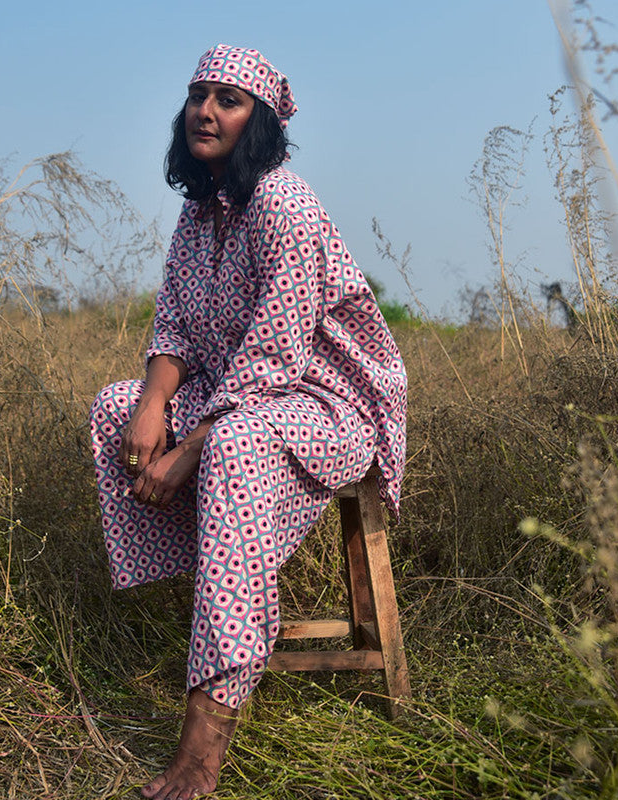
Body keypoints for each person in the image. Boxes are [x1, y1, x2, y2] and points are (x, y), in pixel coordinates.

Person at [90, 43, 407, 800]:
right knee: (113, 405)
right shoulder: (199, 216)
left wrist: (186, 452)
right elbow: (173, 327)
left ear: (257, 122)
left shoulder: (283, 205)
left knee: (229, 443)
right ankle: (225, 601)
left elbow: (274, 356)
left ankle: (200, 756)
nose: (205, 109)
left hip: (331, 402)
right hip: (253, 396)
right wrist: (151, 406)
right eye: (198, 94)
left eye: (227, 99)